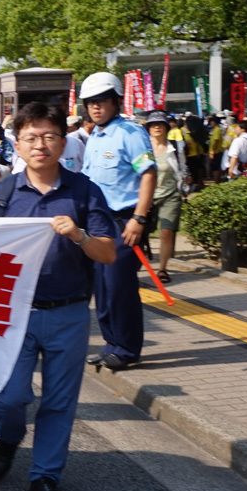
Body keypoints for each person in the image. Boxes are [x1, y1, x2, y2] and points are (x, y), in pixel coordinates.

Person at [0, 102, 118, 491]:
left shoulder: (84, 191)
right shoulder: (2, 195)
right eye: (31, 137)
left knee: (59, 401)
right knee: (10, 398)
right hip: (14, 315)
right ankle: (7, 438)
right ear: (17, 145)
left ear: (63, 141)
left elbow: (108, 253)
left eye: (49, 136)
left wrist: (77, 234)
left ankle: (46, 476)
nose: (40, 144)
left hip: (69, 313)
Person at [79, 72, 157, 372]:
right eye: (91, 103)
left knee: (119, 287)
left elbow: (148, 174)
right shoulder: (96, 136)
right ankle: (111, 345)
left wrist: (139, 218)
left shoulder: (130, 133)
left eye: (102, 101)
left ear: (116, 101)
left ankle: (127, 349)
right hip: (98, 224)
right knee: (102, 288)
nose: (96, 108)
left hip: (124, 221)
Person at [144, 111, 183, 283]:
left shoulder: (175, 147)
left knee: (166, 232)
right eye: (153, 125)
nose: (157, 127)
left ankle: (162, 269)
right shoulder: (144, 147)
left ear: (167, 127)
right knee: (141, 233)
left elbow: (183, 167)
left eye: (160, 124)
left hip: (170, 195)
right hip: (147, 195)